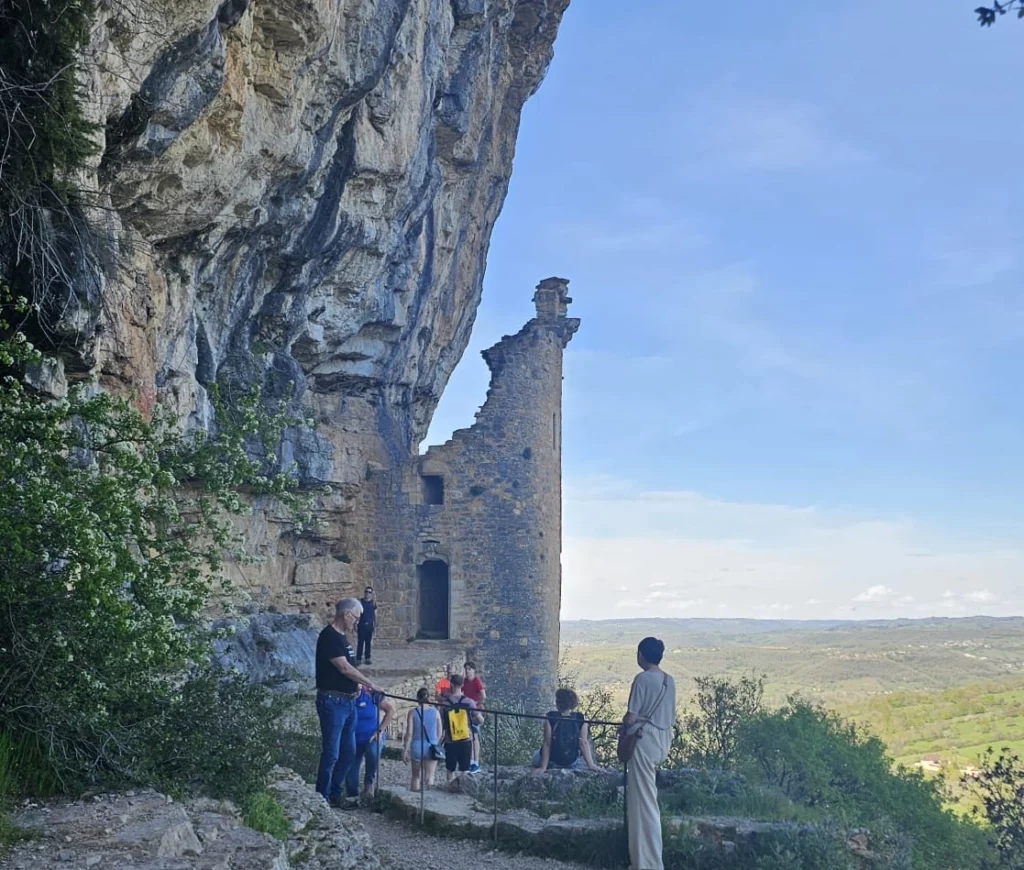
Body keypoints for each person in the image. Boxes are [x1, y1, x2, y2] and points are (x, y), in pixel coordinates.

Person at [315, 598, 381, 809]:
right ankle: (321, 797)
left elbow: (348, 670)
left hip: (348, 703)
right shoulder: (329, 637)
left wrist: (359, 686)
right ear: (346, 615)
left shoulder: (343, 639)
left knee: (348, 752)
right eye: (356, 617)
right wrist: (369, 683)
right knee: (332, 752)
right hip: (333, 702)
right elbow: (343, 668)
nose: (357, 622)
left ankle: (335, 793)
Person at [623, 637, 676, 870]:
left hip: (643, 741)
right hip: (662, 740)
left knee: (643, 803)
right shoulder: (669, 680)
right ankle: (644, 861)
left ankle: (648, 864)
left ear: (642, 655)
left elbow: (632, 716)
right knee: (645, 800)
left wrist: (625, 723)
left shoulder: (642, 679)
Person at [532, 688, 603, 774]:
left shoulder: (551, 717)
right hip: (571, 762)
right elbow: (583, 743)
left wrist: (543, 767)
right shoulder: (580, 719)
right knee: (580, 760)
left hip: (553, 761)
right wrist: (591, 765)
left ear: (558, 703)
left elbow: (547, 743)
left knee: (535, 755)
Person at [344, 684, 394, 800]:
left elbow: (390, 710)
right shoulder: (344, 699)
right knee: (351, 776)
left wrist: (380, 731)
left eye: (359, 688)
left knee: (373, 752)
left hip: (372, 736)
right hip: (353, 740)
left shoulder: (371, 695)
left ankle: (369, 784)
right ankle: (353, 798)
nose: (357, 690)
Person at [440, 674, 482, 781]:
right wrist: (471, 721)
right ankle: (464, 791)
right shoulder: (469, 702)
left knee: (450, 770)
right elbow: (481, 719)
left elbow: (442, 723)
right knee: (465, 769)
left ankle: (449, 790)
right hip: (465, 739)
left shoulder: (445, 704)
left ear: (451, 685)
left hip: (450, 740)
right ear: (462, 685)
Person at [403, 687, 442, 792]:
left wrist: (405, 749)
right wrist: (436, 744)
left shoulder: (413, 712)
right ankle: (428, 803)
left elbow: (409, 733)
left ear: (417, 698)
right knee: (430, 777)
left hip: (417, 745)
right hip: (431, 746)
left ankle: (414, 802)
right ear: (428, 697)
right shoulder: (435, 712)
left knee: (415, 776)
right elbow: (440, 732)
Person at [462, 662, 486, 773]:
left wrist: (476, 704)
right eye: (466, 669)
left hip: (475, 712)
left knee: (475, 736)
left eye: (469, 669)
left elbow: (483, 696)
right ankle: (471, 761)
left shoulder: (476, 681)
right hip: (467, 712)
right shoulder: (465, 681)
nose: (467, 671)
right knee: (470, 736)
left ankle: (476, 763)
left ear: (473, 670)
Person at [356, 586, 377, 665]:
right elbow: (357, 613)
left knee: (368, 643)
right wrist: (355, 623)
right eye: (366, 591)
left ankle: (367, 658)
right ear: (364, 592)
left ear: (371, 594)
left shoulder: (373, 603)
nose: (367, 593)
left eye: (369, 592)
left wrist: (375, 625)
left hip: (369, 626)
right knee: (360, 642)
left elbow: (375, 615)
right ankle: (358, 658)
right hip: (361, 625)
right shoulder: (360, 602)